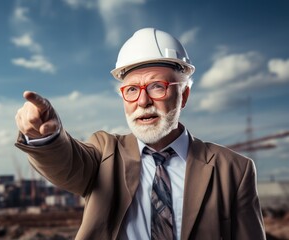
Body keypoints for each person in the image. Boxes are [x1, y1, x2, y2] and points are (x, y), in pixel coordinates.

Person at [15, 28, 265, 240]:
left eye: (158, 87)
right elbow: (66, 161)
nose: (143, 101)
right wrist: (46, 138)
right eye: (132, 90)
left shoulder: (234, 170)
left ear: (184, 96)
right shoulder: (104, 153)